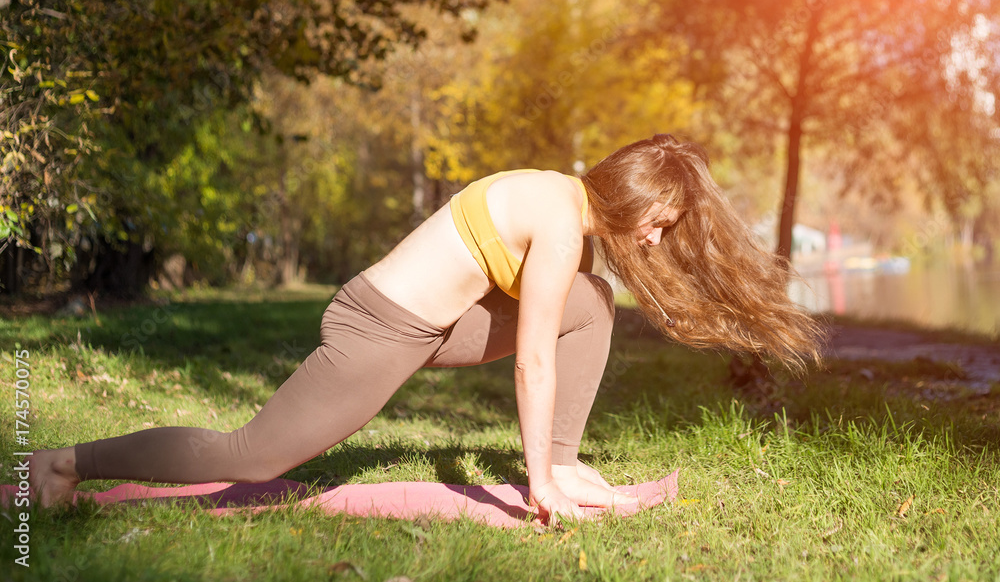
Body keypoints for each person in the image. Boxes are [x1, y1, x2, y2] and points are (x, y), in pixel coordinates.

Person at [28, 134, 823, 522]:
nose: (655, 238)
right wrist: (534, 488)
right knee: (252, 454)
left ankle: (568, 462)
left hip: (433, 329)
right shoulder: (556, 217)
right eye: (661, 221)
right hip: (378, 329)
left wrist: (556, 465)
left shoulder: (563, 211)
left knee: (594, 301)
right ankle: (62, 461)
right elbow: (533, 361)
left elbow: (554, 327)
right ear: (636, 192)